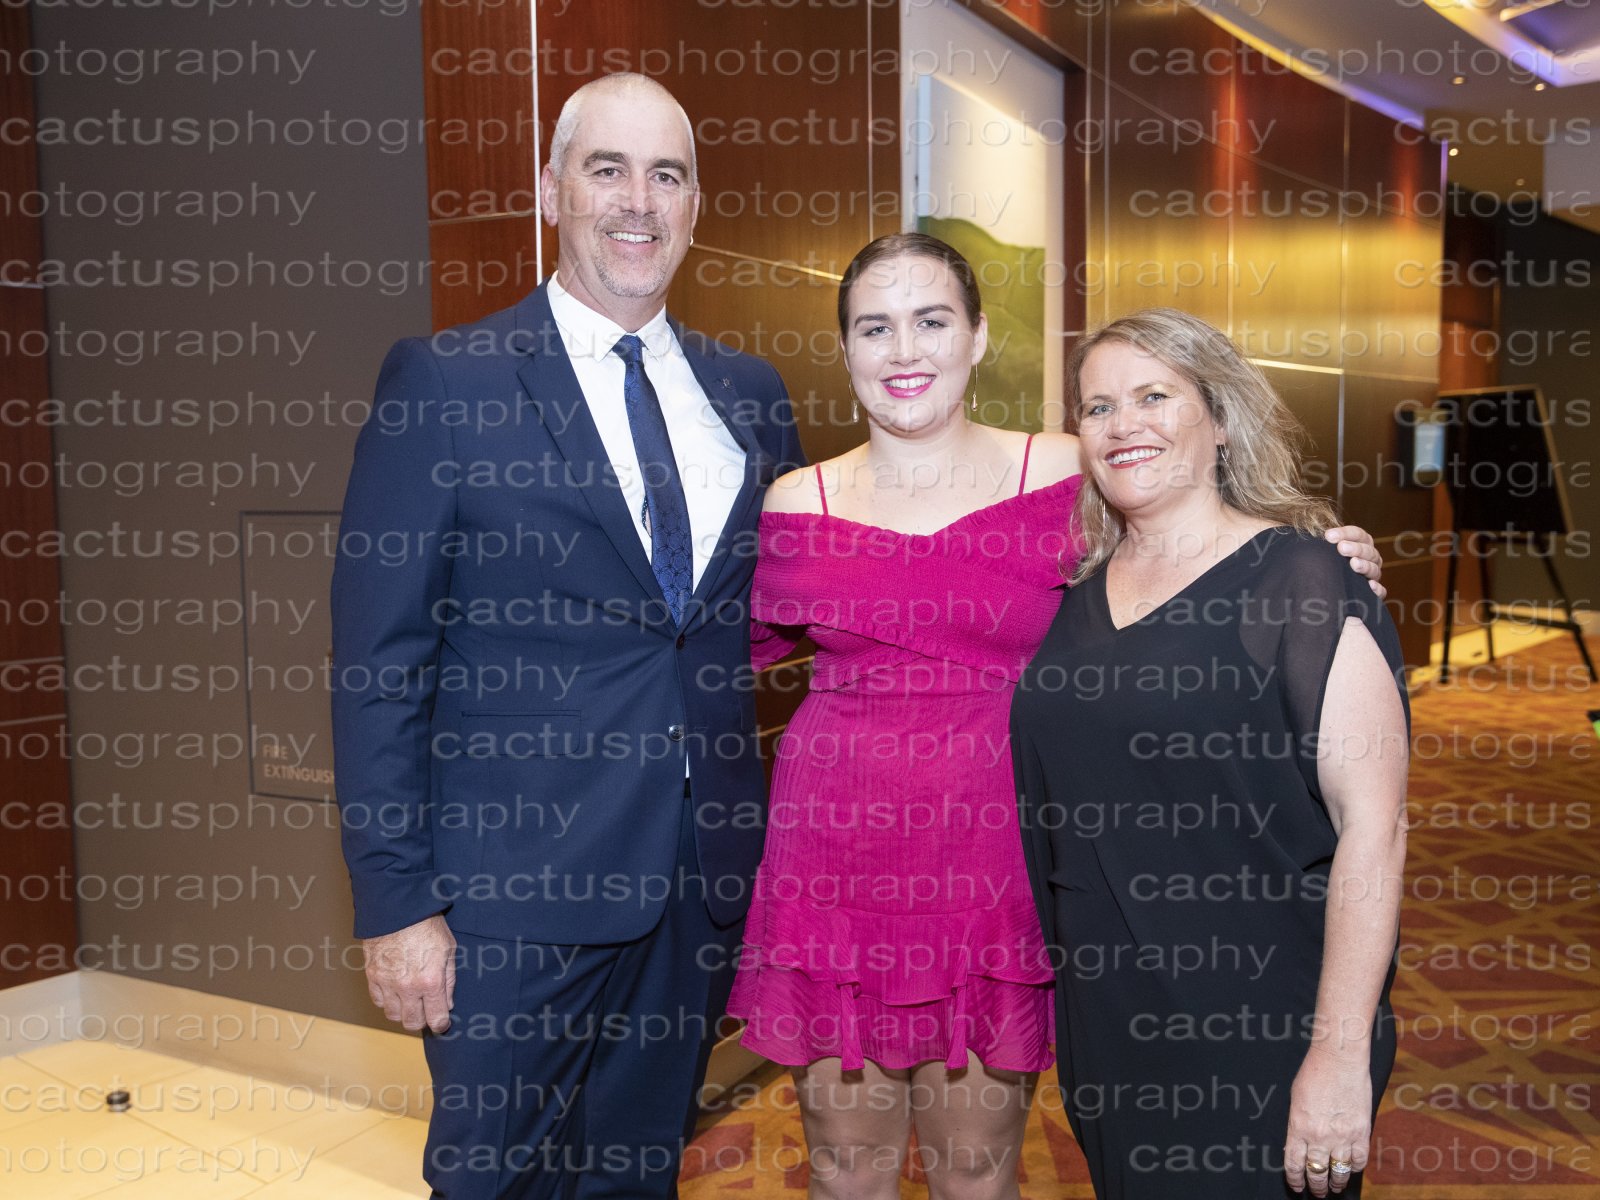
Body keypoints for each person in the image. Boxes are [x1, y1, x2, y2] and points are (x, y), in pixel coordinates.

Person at [727, 241, 1386, 1199]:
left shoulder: (1072, 471)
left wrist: (1325, 555)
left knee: (976, 1165)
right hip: (834, 859)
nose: (904, 350)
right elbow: (708, 656)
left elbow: (1202, 528)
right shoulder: (796, 501)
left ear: (977, 337)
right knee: (843, 1162)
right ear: (845, 349)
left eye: (932, 321)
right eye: (875, 327)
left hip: (997, 856)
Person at [330, 73, 804, 1199]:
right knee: (493, 1182)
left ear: (694, 205)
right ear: (551, 190)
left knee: (635, 1177)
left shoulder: (749, 395)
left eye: (666, 175)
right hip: (510, 900)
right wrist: (397, 905)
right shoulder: (446, 383)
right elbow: (378, 667)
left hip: (696, 887)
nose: (638, 200)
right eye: (607, 169)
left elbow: (796, 606)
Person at [1011, 308, 1409, 1199]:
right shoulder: (1072, 597)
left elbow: (1374, 828)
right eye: (1098, 406)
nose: (1124, 424)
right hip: (1113, 1017)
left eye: (1155, 396)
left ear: (1221, 418)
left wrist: (1339, 1057)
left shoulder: (1303, 581)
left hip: (1263, 1018)